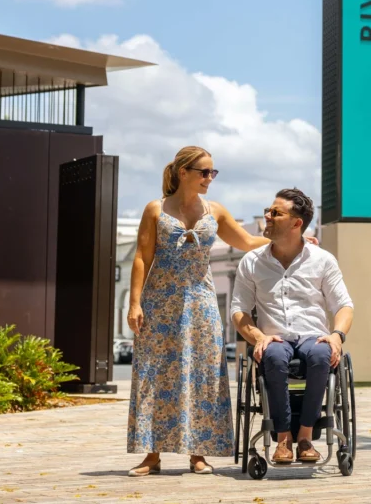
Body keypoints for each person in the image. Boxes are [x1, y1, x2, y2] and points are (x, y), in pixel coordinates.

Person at [125, 146, 318, 476]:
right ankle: (151, 455)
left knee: (203, 375)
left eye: (212, 172)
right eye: (204, 172)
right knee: (154, 375)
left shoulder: (214, 210)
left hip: (201, 302)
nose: (209, 178)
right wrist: (134, 303)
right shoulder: (155, 209)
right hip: (160, 302)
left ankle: (198, 453)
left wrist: (299, 238)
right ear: (183, 172)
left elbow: (246, 241)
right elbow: (142, 256)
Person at [230, 188, 353, 464]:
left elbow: (344, 305)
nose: (267, 216)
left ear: (297, 223)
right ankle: (283, 439)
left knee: (322, 354)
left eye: (275, 213)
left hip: (313, 336)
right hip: (274, 338)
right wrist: (258, 336)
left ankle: (306, 437)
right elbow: (238, 310)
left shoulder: (322, 260)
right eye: (268, 210)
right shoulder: (252, 262)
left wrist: (337, 335)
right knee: (272, 355)